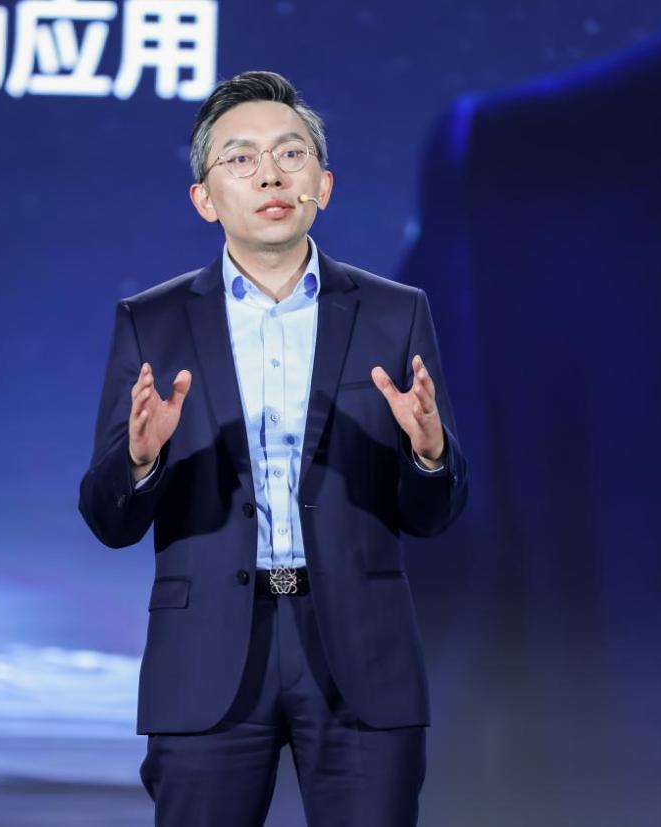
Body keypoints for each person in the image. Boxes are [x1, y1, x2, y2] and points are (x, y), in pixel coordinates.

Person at [78, 70, 467, 826]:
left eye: (291, 154)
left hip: (361, 648)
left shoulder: (393, 313)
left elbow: (433, 515)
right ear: (204, 197)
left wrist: (427, 454)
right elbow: (109, 520)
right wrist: (140, 462)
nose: (269, 175)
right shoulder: (151, 322)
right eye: (241, 158)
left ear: (323, 184)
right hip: (206, 653)